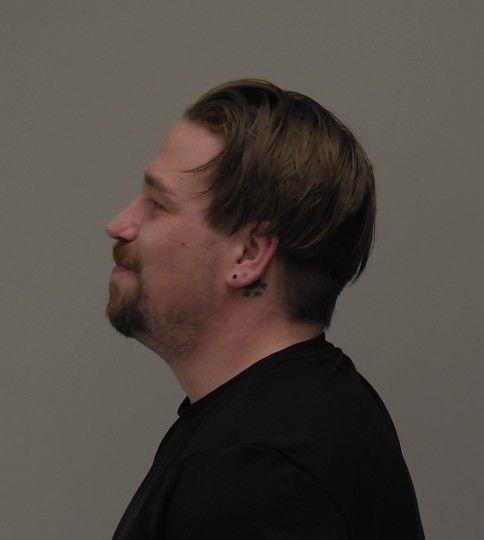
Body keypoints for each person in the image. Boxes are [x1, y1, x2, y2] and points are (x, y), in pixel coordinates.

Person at [105, 78, 425, 539]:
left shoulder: (253, 476)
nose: (119, 224)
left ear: (248, 255)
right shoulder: (308, 413)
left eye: (158, 204)